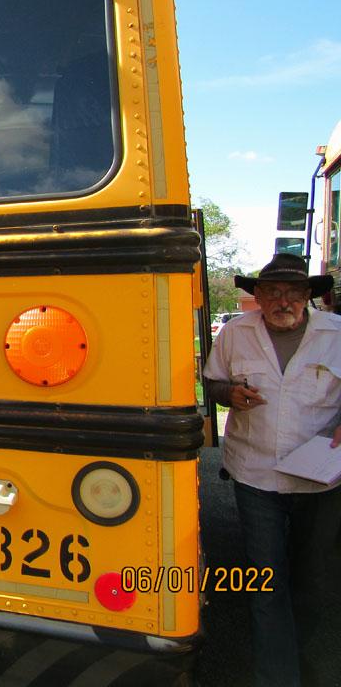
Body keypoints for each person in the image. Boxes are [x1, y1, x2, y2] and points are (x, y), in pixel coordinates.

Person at [204, 253, 341, 687]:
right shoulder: (234, 333)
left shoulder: (336, 334)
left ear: (308, 297)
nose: (284, 301)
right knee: (266, 581)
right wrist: (231, 392)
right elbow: (212, 382)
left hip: (320, 480)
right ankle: (278, 677)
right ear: (257, 296)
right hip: (254, 473)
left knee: (311, 580)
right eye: (273, 292)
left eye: (293, 292)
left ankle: (299, 654)